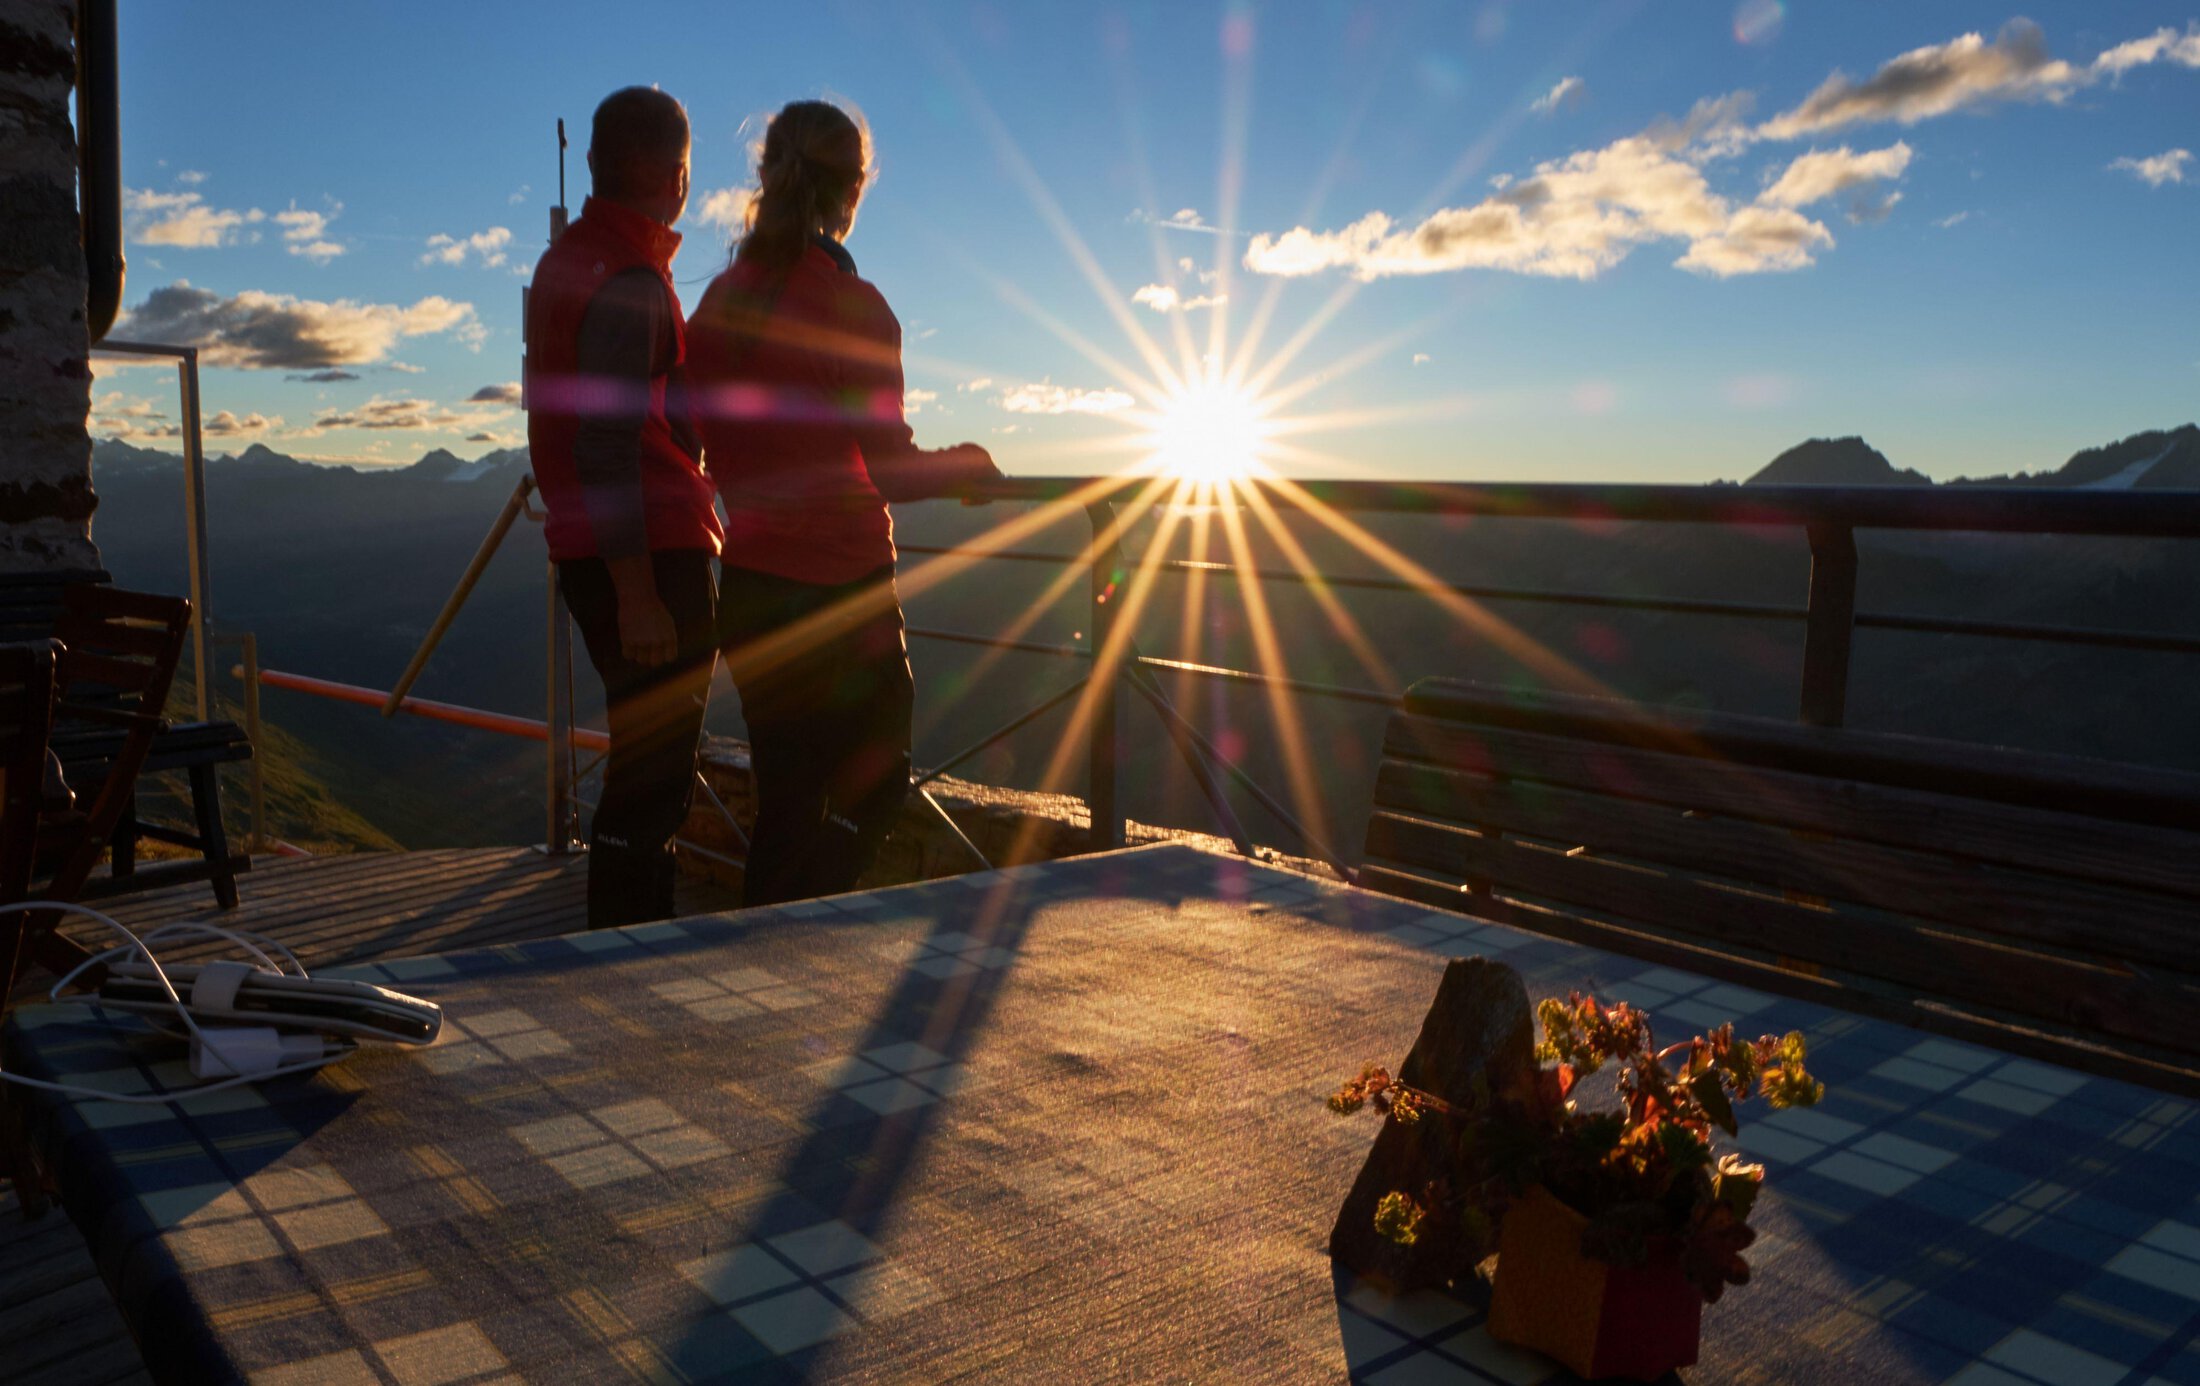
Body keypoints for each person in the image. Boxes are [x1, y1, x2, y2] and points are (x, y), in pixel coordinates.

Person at [687, 99, 999, 907]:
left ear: (767, 175)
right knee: (875, 787)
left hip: (751, 590)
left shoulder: (719, 304)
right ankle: (803, 936)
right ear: (854, 188)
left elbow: (694, 435)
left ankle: (763, 952)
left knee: (786, 803)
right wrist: (968, 464)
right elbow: (892, 473)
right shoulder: (853, 308)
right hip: (842, 597)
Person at [524, 86, 721, 928]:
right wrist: (638, 594)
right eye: (686, 170)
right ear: (668, 173)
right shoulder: (633, 279)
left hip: (588, 543)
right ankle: (628, 953)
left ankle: (624, 941)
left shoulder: (569, 261)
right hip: (648, 552)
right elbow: (608, 444)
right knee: (654, 776)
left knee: (643, 762)